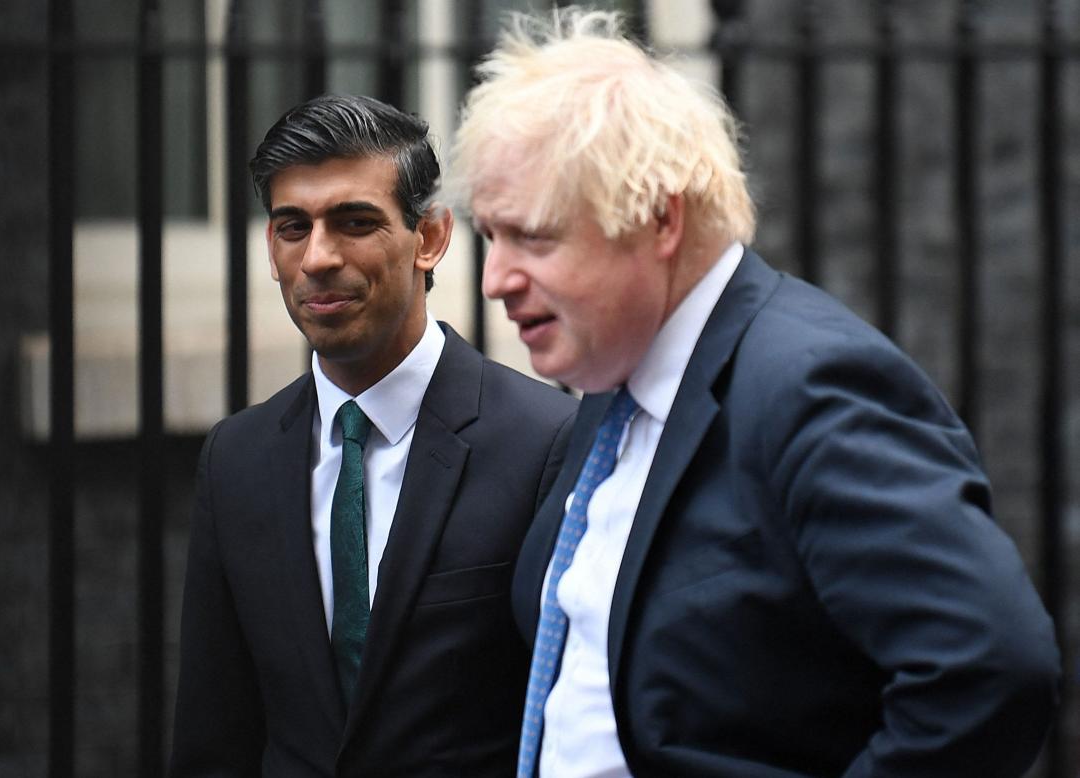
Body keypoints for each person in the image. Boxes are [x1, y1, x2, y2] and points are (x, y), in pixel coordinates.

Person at [447, 10, 1061, 778]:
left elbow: (991, 669)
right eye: (490, 237)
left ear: (659, 218)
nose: (495, 280)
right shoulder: (615, 386)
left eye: (533, 237)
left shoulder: (812, 388)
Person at [169, 94, 577, 777]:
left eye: (354, 222)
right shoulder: (234, 459)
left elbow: (570, 726)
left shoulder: (544, 442)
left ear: (431, 238)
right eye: (292, 227)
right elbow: (216, 736)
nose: (318, 257)